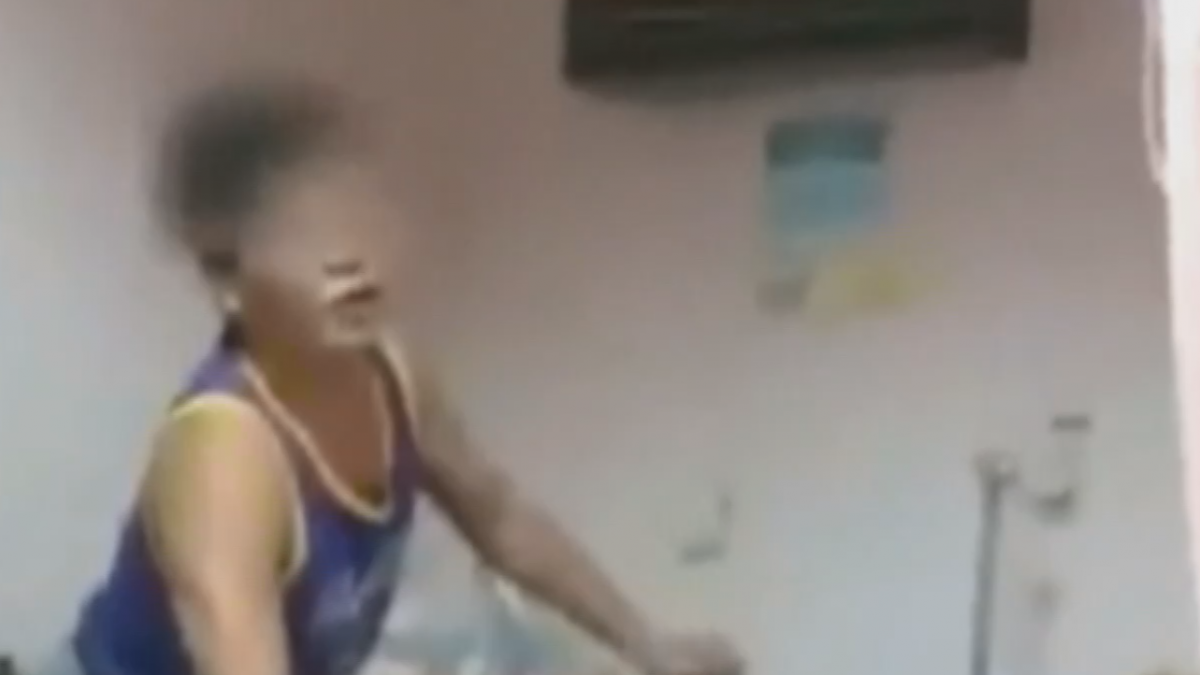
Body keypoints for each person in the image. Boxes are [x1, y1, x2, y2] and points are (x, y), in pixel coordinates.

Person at [59, 81, 744, 675]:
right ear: (226, 279)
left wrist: (650, 646)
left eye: (358, 223)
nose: (348, 261)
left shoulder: (393, 371)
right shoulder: (224, 458)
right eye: (304, 237)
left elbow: (502, 518)